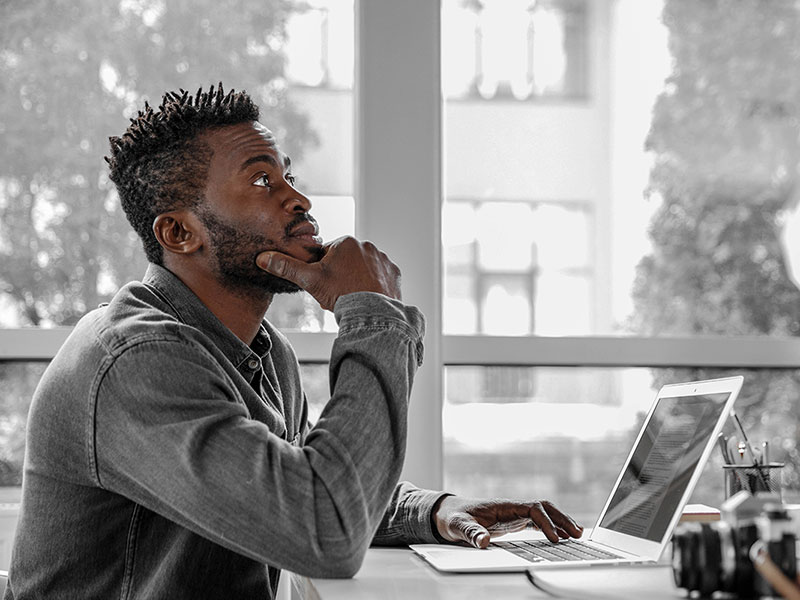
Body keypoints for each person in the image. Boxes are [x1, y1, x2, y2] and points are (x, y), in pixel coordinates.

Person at [5, 84, 582, 599]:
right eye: (261, 179)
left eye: (289, 176)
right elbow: (320, 530)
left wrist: (435, 512)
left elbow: (292, 485)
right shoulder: (136, 360)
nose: (299, 199)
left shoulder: (262, 350)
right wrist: (371, 313)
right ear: (179, 233)